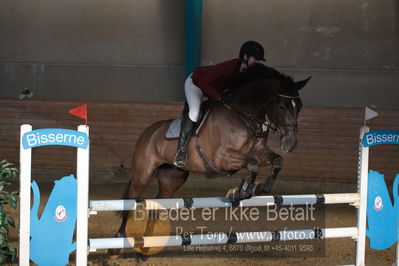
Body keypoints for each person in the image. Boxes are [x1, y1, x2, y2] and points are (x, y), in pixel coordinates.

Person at [173, 41, 266, 168]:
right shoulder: (229, 67)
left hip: (213, 90)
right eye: (256, 59)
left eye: (259, 60)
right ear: (245, 57)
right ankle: (181, 151)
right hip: (195, 84)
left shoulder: (249, 74)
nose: (258, 62)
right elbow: (202, 81)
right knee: (195, 113)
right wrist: (219, 96)